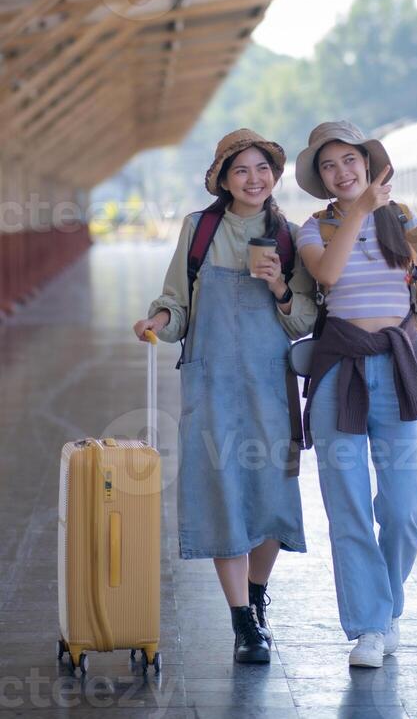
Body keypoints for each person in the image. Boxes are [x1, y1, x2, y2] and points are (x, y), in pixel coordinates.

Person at [133, 129, 316, 664]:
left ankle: (258, 597)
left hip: (270, 385)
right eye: (241, 171)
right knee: (222, 492)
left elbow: (305, 319)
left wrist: (280, 286)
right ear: (222, 179)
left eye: (262, 169)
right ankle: (242, 623)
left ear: (275, 176)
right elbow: (176, 301)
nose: (253, 179)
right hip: (211, 385)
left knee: (271, 494)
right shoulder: (199, 228)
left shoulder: (292, 236)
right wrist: (159, 321)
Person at [295, 121, 417, 669]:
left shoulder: (404, 221)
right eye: (329, 165)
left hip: (398, 366)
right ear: (320, 178)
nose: (342, 172)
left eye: (350, 161)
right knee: (347, 506)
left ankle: (385, 608)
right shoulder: (313, 229)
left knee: (405, 506)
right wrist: (360, 210)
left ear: (369, 164)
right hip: (339, 370)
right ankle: (368, 625)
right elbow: (330, 274)